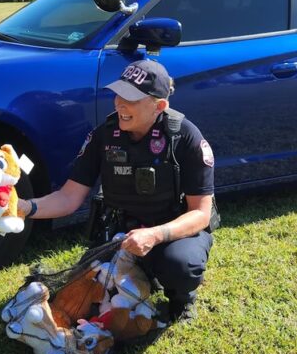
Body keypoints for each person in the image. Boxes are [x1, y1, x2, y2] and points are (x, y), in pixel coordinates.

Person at [18, 59, 217, 323]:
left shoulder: (185, 137)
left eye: (131, 98)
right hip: (121, 232)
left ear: (159, 106)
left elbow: (201, 215)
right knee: (87, 293)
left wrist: (155, 235)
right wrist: (25, 208)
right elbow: (69, 197)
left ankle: (181, 299)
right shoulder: (104, 135)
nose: (120, 103)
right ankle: (143, 272)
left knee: (180, 265)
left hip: (172, 231)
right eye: (119, 94)